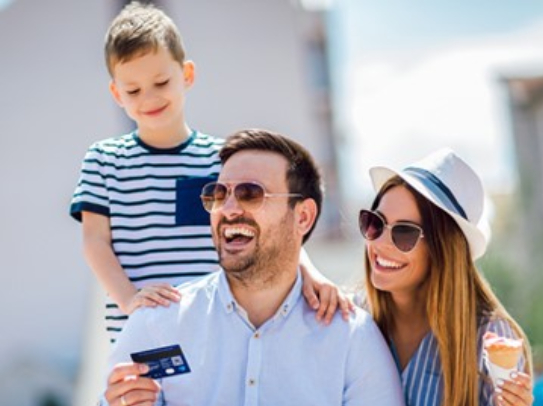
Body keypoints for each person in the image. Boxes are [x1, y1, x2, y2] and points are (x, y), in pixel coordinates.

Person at [81, 129, 416, 406]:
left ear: (302, 217)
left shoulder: (352, 336)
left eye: (250, 193)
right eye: (218, 194)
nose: (228, 208)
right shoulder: (157, 320)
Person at [69, 1, 348, 345]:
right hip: (142, 336)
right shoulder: (103, 160)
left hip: (218, 335)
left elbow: (266, 229)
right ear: (116, 94)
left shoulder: (224, 161)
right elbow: (94, 242)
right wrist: (130, 301)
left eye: (160, 81)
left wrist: (312, 274)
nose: (149, 97)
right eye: (133, 90)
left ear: (186, 75)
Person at [358, 148, 540, 406]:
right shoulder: (352, 320)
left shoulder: (488, 336)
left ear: (443, 248)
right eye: (374, 223)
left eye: (405, 234)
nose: (380, 243)